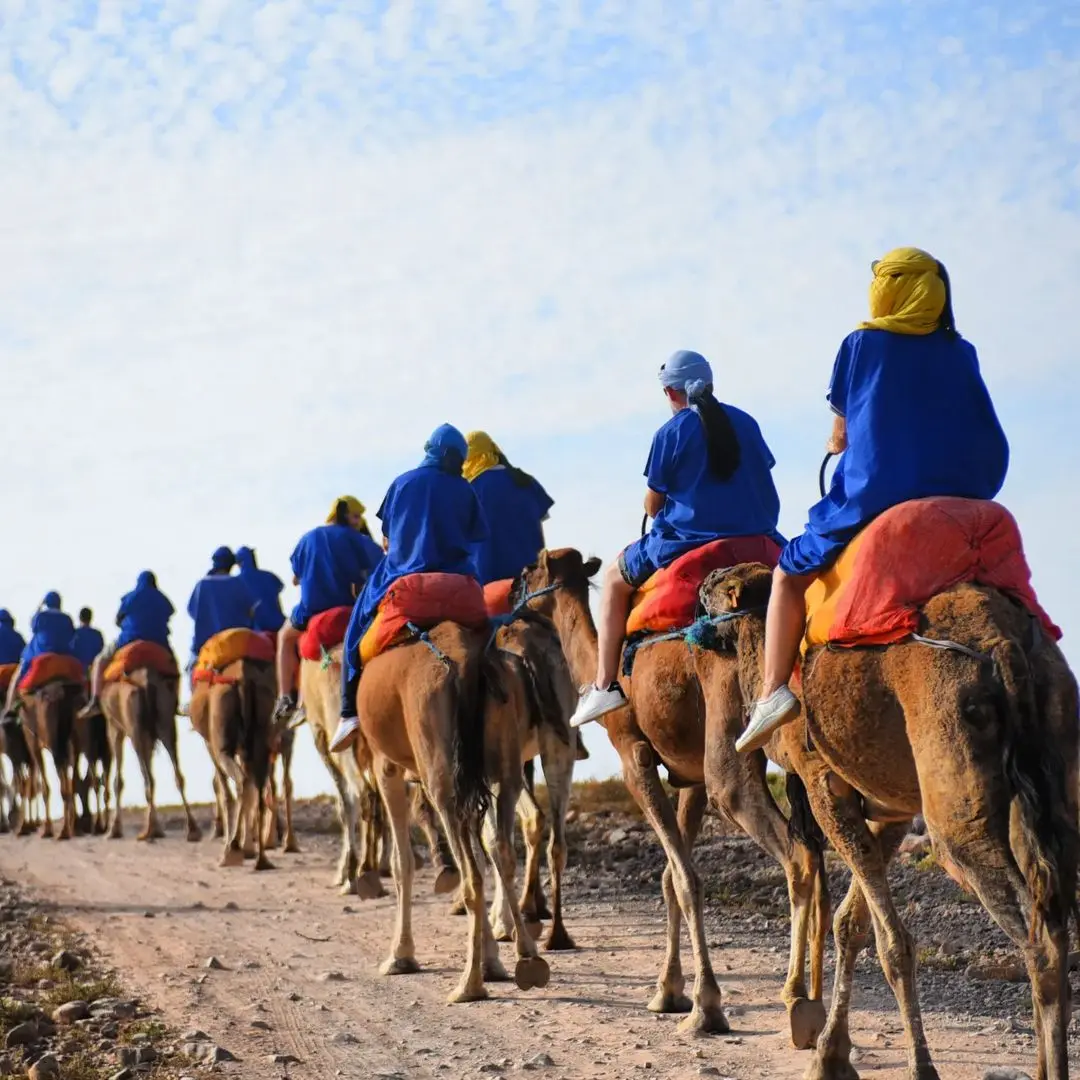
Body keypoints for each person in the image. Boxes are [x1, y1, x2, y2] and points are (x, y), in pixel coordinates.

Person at [736, 247, 1009, 753]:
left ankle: (772, 691)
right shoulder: (961, 349)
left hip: (881, 493)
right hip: (970, 490)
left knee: (787, 575)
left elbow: (841, 434)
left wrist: (836, 443)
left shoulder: (861, 343)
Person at [569, 349, 785, 729]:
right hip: (761, 538)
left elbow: (653, 506)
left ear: (670, 393)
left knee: (615, 581)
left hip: (687, 542)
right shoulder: (747, 423)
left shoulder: (671, 432)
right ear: (712, 384)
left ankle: (604, 683)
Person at [330, 423, 489, 751]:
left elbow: (388, 540)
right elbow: (477, 538)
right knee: (499, 634)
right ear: (458, 458)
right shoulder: (465, 488)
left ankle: (348, 713)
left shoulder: (401, 483)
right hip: (461, 586)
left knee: (356, 630)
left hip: (406, 583)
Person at [272, 497, 383, 722]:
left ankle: (285, 697)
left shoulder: (307, 539)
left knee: (285, 637)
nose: (358, 521)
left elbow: (295, 579)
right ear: (345, 515)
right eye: (356, 516)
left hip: (311, 610)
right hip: (353, 610)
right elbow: (380, 568)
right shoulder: (359, 540)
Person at [463, 431, 554, 584]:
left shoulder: (469, 488)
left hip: (485, 579)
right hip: (530, 580)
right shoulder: (525, 480)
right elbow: (542, 519)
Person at [82, 571, 176, 715]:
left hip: (128, 640)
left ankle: (95, 699)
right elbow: (170, 613)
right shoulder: (162, 598)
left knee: (99, 660)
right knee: (174, 666)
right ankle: (174, 702)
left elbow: (117, 621)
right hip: (159, 641)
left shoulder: (129, 597)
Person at [2, 592, 77, 718]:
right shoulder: (67, 618)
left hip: (40, 658)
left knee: (16, 679)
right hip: (65, 659)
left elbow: (32, 626)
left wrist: (40, 606)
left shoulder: (40, 617)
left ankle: (9, 709)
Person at [186, 546, 255, 667]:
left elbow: (192, 612)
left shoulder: (202, 585)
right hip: (238, 645)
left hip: (206, 645)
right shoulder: (239, 583)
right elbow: (251, 612)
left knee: (192, 667)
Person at [236, 547, 286, 634]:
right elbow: (278, 603)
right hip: (278, 627)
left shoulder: (236, 582)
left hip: (255, 632)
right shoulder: (269, 576)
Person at [72, 608, 105, 674]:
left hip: (77, 671)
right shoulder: (97, 634)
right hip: (94, 670)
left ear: (79, 618)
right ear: (91, 618)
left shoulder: (73, 633)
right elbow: (101, 652)